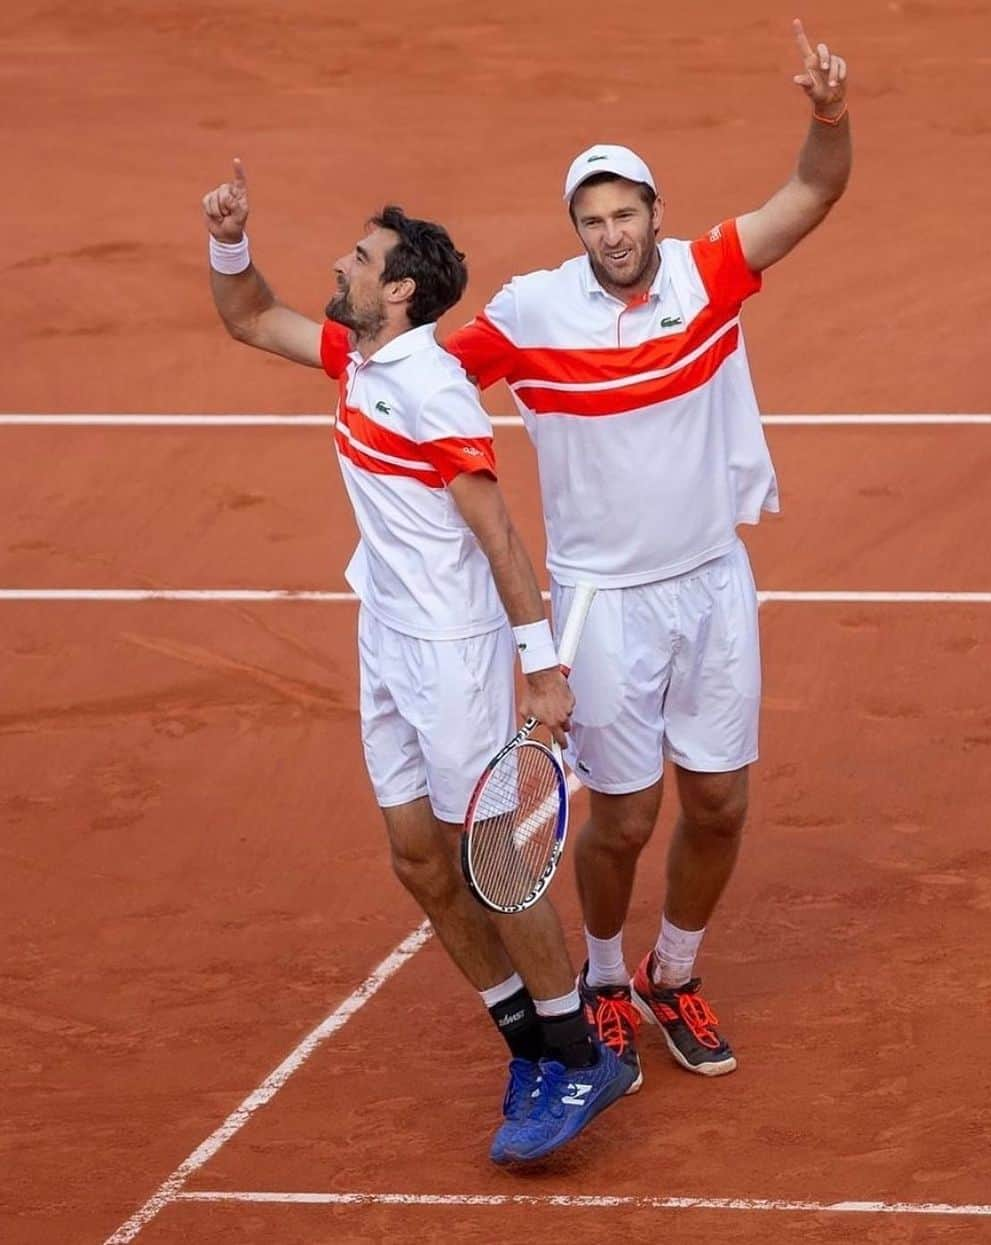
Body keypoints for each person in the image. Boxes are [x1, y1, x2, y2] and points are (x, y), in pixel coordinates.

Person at [444, 20, 852, 1091]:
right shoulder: (533, 309)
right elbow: (435, 381)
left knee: (719, 803)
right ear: (575, 228)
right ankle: (609, 979)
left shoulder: (708, 273)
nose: (612, 232)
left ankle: (677, 971)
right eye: (594, 219)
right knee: (622, 819)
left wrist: (828, 114)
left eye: (626, 213)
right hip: (603, 603)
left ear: (654, 216)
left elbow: (811, 195)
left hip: (712, 582)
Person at [200, 162, 635, 1163]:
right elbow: (247, 316)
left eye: (359, 258)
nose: (341, 266)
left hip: (453, 652)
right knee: (415, 857)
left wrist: (541, 671)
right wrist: (230, 237)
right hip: (385, 633)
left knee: (496, 869)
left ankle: (578, 1057)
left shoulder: (436, 391)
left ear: (399, 291)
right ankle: (527, 1044)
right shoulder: (358, 359)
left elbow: (499, 533)